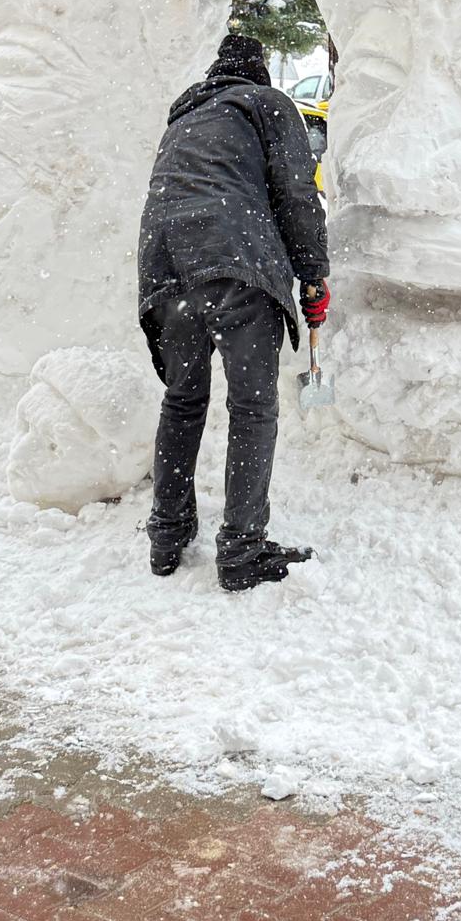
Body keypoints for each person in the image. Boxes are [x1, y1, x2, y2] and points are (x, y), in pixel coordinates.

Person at [138, 33, 331, 592]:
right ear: (260, 73)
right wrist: (313, 272)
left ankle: (168, 535)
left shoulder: (184, 118)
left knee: (182, 400)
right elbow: (296, 192)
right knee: (252, 407)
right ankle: (243, 548)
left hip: (164, 265)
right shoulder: (266, 103)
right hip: (232, 257)